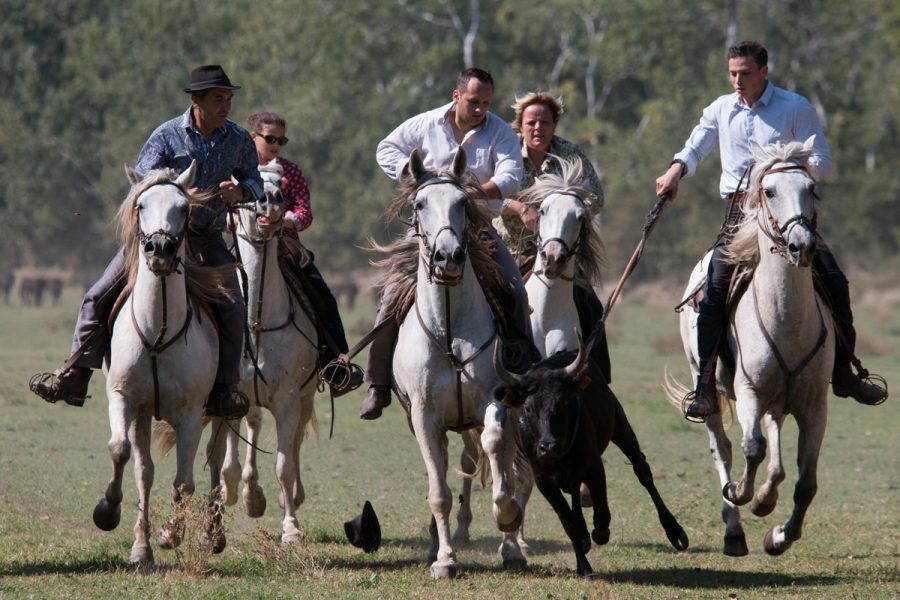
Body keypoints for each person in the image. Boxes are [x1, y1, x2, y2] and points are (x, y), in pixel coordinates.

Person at [655, 41, 887, 421]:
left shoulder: (795, 108)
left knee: (834, 281)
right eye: (732, 73)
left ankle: (844, 372)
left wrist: (793, 169)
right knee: (713, 289)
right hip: (738, 214)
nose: (737, 80)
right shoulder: (720, 108)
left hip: (788, 210)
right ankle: (705, 389)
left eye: (745, 73)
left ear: (764, 71)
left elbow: (824, 162)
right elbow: (695, 147)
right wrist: (675, 170)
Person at [30, 65, 263, 419]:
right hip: (157, 240)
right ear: (196, 101)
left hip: (206, 239)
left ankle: (225, 389)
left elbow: (255, 181)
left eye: (229, 98)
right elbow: (138, 185)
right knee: (97, 295)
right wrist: (178, 193)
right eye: (219, 99)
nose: (226, 106)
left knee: (233, 303)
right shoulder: (166, 135)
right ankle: (75, 375)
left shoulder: (239, 139)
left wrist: (242, 190)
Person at [361, 66, 534, 420]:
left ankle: (524, 376)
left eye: (486, 103)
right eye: (473, 101)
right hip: (425, 234)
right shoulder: (425, 124)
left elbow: (511, 179)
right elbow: (386, 149)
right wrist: (419, 181)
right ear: (456, 96)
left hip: (479, 230)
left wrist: (472, 192)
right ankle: (377, 384)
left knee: (515, 291)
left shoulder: (500, 132)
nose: (480, 109)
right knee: (390, 299)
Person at [495, 91, 611, 381]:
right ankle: (496, 367)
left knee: (590, 304)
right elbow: (490, 197)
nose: (538, 128)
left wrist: (566, 202)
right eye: (531, 122)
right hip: (514, 248)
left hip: (562, 248)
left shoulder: (570, 153)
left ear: (554, 125)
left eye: (545, 122)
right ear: (520, 125)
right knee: (497, 301)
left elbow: (596, 197)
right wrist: (519, 208)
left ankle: (597, 380)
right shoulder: (506, 153)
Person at [246, 111, 361, 395]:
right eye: (270, 138)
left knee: (321, 293)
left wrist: (280, 221)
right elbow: (222, 211)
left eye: (281, 139)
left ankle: (335, 367)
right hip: (244, 241)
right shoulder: (238, 171)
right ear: (253, 137)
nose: (276, 145)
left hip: (286, 243)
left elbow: (304, 214)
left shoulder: (291, 171)